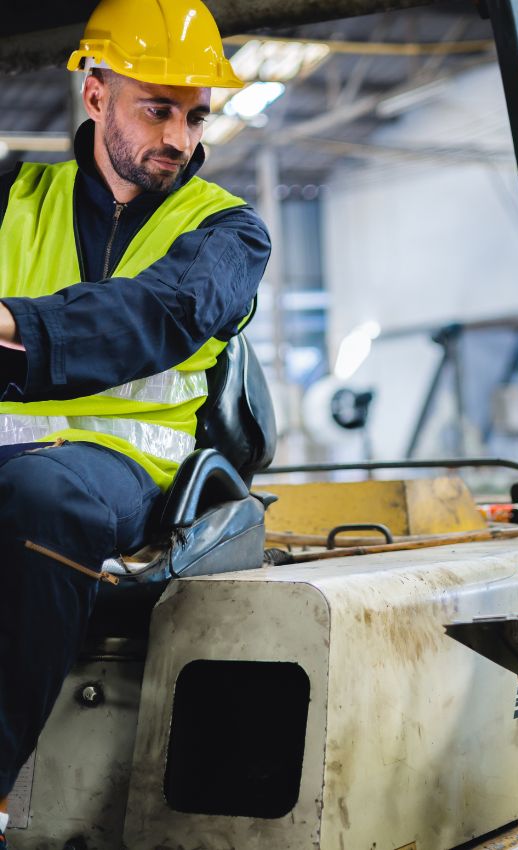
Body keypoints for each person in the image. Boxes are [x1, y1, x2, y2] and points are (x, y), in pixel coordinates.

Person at [0, 1, 271, 841]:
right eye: (158, 108)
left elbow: (163, 313)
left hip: (124, 469)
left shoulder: (229, 232)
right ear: (95, 96)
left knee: (44, 501)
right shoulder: (13, 193)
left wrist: (16, 326)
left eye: (195, 116)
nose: (180, 138)